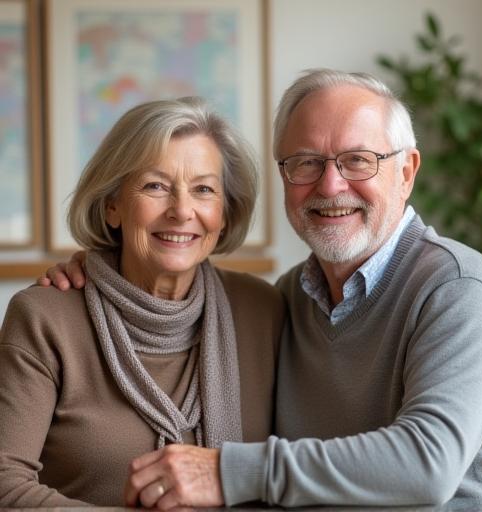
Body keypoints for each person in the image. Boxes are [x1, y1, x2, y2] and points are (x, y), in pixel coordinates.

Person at [39, 69, 482, 510]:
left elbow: (429, 463)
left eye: (357, 161)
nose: (330, 185)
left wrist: (227, 472)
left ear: (406, 172)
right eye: (305, 163)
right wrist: (102, 269)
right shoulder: (288, 300)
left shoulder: (456, 287)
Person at [0, 97, 286, 507]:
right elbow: (5, 485)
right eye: (156, 186)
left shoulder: (264, 310)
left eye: (203, 189)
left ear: (224, 214)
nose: (181, 210)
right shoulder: (45, 318)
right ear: (113, 205)